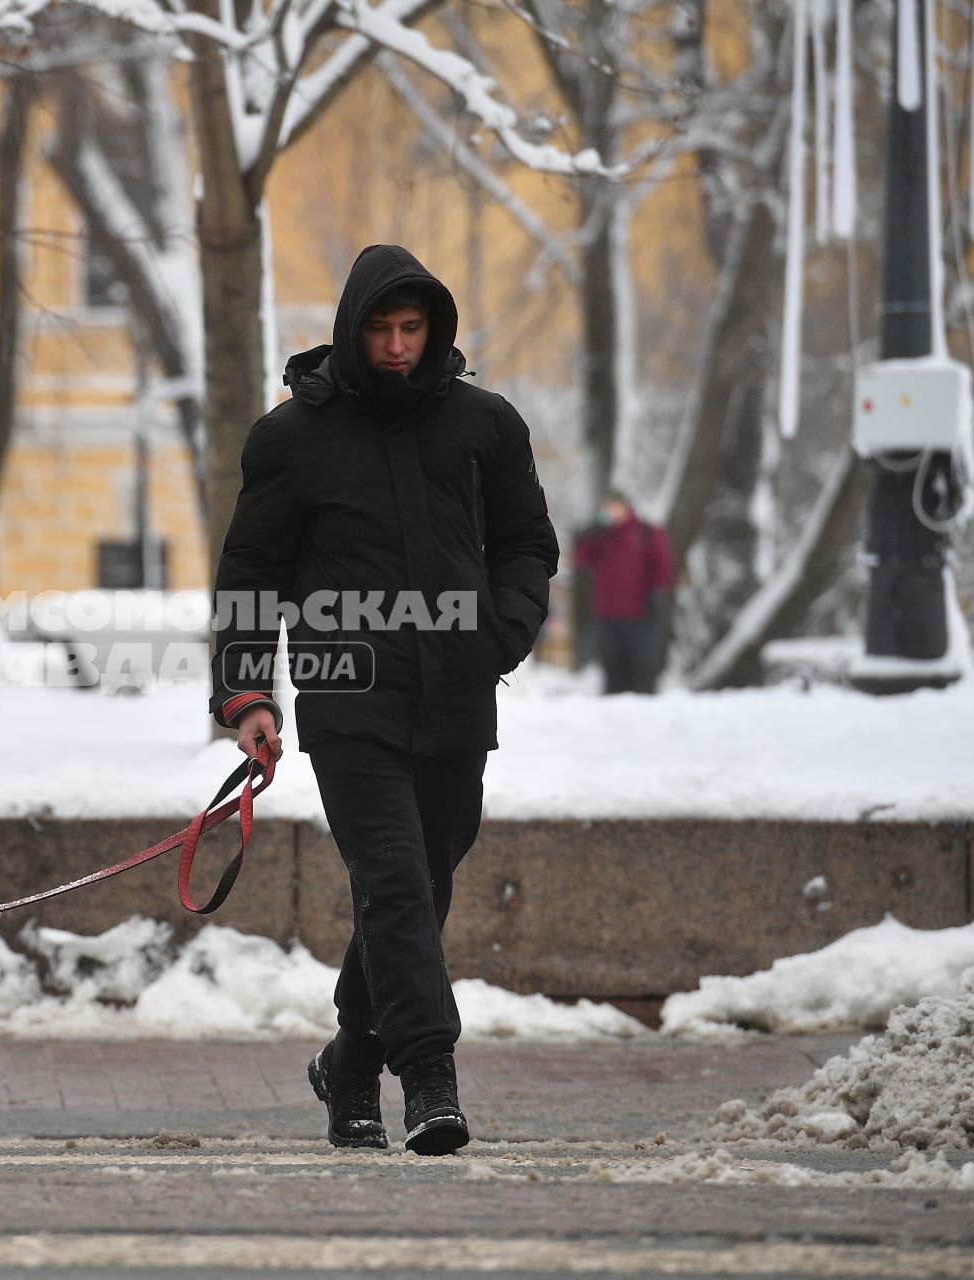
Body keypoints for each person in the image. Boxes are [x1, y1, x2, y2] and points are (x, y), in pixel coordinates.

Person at [208, 245, 558, 1155]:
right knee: (395, 880)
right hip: (345, 697)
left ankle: (351, 1061)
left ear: (435, 328)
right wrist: (249, 693)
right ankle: (429, 1078)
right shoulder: (291, 438)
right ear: (351, 329)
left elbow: (526, 543)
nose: (398, 347)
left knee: (426, 883)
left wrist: (499, 634)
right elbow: (252, 569)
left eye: (413, 329)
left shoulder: (486, 425)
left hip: (455, 693)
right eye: (380, 329)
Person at [573, 490, 672, 695]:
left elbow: (661, 564)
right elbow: (581, 559)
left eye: (615, 506)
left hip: (639, 615)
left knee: (642, 667)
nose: (611, 512)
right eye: (607, 507)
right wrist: (589, 535)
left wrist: (656, 594)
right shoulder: (601, 536)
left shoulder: (645, 533)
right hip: (607, 615)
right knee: (611, 668)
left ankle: (646, 710)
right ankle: (613, 711)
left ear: (626, 507)